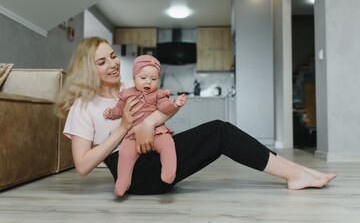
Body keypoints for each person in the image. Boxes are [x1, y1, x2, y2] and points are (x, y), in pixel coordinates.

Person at [54, 37, 336, 197]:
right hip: (138, 176)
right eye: (101, 62)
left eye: (113, 56)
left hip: (153, 155)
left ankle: (298, 171)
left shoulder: (128, 89)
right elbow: (82, 165)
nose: (113, 64)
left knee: (222, 133)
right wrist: (123, 128)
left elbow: (157, 113)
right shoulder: (84, 106)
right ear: (89, 69)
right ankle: (297, 174)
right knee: (219, 132)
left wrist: (151, 122)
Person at [103, 55, 188, 196]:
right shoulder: (127, 94)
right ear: (134, 77)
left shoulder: (158, 94)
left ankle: (169, 173)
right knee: (125, 154)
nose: (148, 82)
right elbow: (120, 109)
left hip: (157, 132)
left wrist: (174, 104)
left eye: (153, 79)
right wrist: (112, 113)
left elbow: (164, 107)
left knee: (168, 144)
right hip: (133, 135)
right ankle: (123, 181)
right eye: (143, 78)